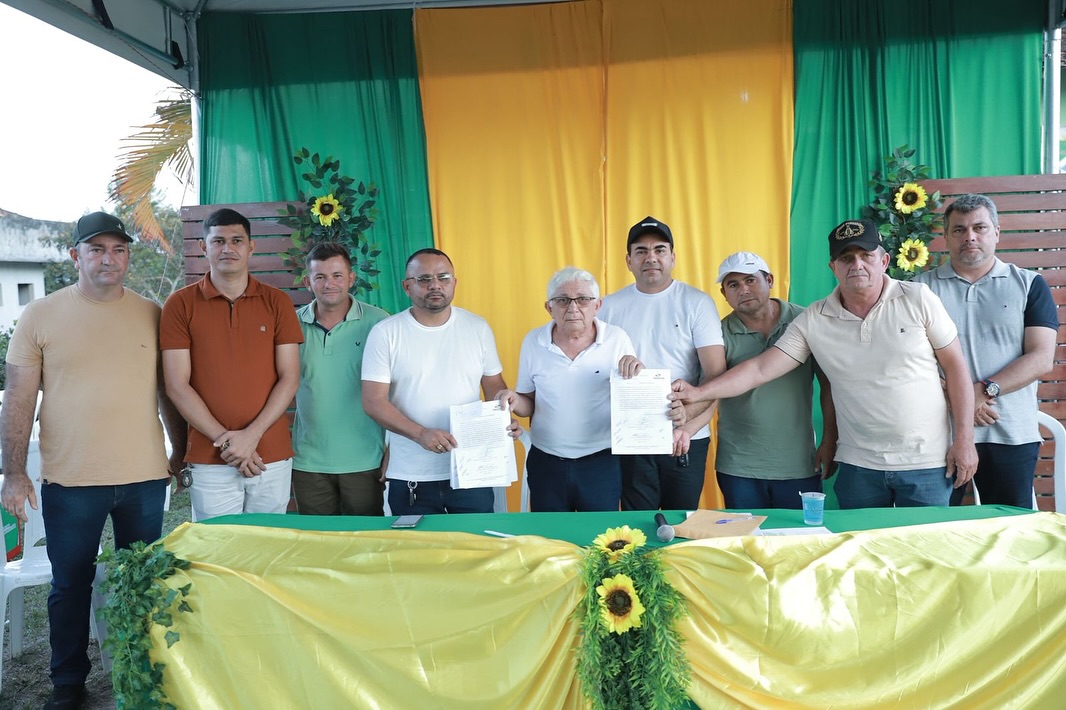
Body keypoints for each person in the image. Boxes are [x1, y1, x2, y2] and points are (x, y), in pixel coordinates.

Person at [0, 212, 186, 710]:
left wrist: (180, 450)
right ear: (75, 255)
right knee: (70, 585)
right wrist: (14, 473)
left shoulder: (152, 313)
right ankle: (68, 684)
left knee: (140, 580)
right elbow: (19, 398)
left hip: (145, 478)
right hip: (72, 480)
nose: (109, 259)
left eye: (119, 249)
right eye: (97, 249)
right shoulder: (40, 315)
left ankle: (139, 673)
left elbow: (168, 390)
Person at [671, 219, 978, 508]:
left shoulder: (918, 298)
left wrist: (964, 441)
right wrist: (697, 393)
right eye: (846, 258)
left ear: (883, 261)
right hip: (858, 466)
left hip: (926, 462)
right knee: (860, 546)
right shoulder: (815, 319)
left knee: (924, 544)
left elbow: (956, 368)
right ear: (833, 267)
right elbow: (760, 369)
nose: (856, 265)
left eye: (866, 256)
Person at [915, 194, 1058, 507]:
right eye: (959, 229)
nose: (969, 236)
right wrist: (961, 399)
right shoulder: (919, 290)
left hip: (1010, 433)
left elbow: (1041, 357)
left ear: (996, 232)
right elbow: (909, 360)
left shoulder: (1030, 285)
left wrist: (983, 390)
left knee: (1008, 527)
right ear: (945, 236)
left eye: (979, 227)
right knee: (935, 529)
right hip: (939, 435)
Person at [160, 208, 303, 521]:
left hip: (270, 453)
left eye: (237, 240)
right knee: (216, 545)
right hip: (209, 457)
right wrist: (227, 443)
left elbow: (290, 377)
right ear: (204, 247)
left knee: (268, 543)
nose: (228, 248)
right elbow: (176, 385)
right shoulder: (179, 305)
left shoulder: (277, 302)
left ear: (251, 247)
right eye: (218, 241)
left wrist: (251, 436)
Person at [361, 248, 515, 515]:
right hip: (411, 474)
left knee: (475, 541)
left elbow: (494, 387)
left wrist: (502, 417)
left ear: (454, 282)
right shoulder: (386, 333)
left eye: (443, 278)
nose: (435, 285)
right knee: (416, 544)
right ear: (407, 286)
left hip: (471, 470)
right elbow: (373, 401)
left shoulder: (477, 328)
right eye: (424, 279)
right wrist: (421, 434)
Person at [599, 216, 726, 510]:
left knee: (681, 523)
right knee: (635, 523)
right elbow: (594, 371)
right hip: (631, 437)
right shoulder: (608, 307)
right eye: (641, 251)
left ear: (673, 257)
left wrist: (688, 423)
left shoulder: (697, 302)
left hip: (685, 438)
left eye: (659, 249)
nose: (651, 258)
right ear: (628, 260)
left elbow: (716, 376)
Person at [497, 267, 641, 511]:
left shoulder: (617, 339)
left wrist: (639, 373)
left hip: (601, 460)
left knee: (599, 533)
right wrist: (514, 400)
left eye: (583, 299)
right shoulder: (533, 341)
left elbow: (634, 398)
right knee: (549, 532)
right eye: (563, 300)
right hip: (546, 460)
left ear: (597, 305)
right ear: (549, 307)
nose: (573, 308)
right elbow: (528, 403)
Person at [715, 251, 838, 508]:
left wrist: (829, 440)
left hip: (798, 464)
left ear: (769, 280)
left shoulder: (804, 321)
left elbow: (829, 384)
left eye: (750, 280)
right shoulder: (717, 334)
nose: (743, 290)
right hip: (738, 465)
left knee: (798, 533)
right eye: (733, 285)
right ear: (724, 294)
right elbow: (710, 388)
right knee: (745, 534)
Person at [292, 242, 389, 515]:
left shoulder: (379, 323)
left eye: (337, 275)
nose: (329, 284)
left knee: (367, 538)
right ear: (308, 282)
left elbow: (399, 392)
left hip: (366, 459)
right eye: (320, 277)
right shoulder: (291, 325)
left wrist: (394, 449)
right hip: (309, 461)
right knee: (318, 539)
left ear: (351, 278)